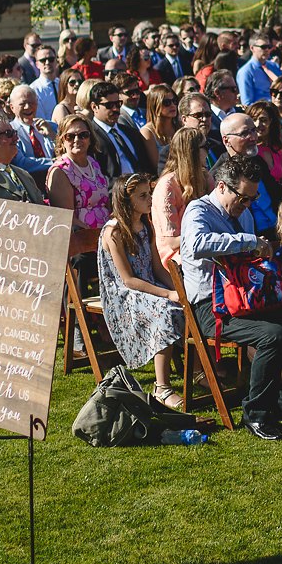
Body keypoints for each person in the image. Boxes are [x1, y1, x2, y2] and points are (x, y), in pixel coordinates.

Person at [183, 154, 282, 441]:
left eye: (252, 198)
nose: (247, 205)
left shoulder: (242, 214)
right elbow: (195, 244)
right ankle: (256, 415)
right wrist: (248, 241)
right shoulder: (198, 211)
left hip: (248, 298)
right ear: (222, 186)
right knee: (273, 334)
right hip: (211, 307)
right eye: (243, 198)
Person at [97, 173, 187, 409]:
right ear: (127, 201)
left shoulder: (146, 224)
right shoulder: (114, 232)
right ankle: (161, 387)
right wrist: (167, 294)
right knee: (166, 311)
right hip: (125, 294)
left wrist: (179, 288)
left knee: (188, 303)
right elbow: (127, 280)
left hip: (148, 284)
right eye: (143, 196)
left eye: (149, 193)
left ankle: (197, 372)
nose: (150, 200)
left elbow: (157, 266)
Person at [48, 112, 110, 256]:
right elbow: (67, 218)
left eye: (83, 135)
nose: (77, 140)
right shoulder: (60, 172)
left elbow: (104, 200)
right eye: (70, 136)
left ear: (90, 139)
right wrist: (98, 236)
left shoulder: (93, 163)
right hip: (83, 243)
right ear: (62, 140)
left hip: (106, 234)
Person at [152, 127, 209, 266]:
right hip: (177, 259)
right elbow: (172, 242)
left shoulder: (205, 177)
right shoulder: (167, 186)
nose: (208, 151)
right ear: (192, 152)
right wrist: (207, 238)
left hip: (204, 248)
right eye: (205, 147)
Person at [88, 80, 155, 179]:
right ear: (94, 107)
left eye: (118, 104)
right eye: (109, 105)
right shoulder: (90, 137)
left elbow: (145, 164)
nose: (115, 109)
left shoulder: (130, 132)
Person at [236, 33, 279, 105]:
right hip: (262, 112)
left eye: (269, 46)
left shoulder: (274, 66)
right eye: (264, 47)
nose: (267, 50)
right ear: (252, 48)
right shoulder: (246, 72)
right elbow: (247, 103)